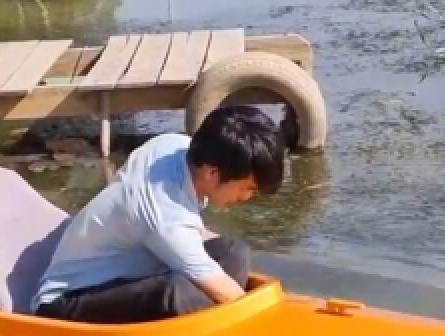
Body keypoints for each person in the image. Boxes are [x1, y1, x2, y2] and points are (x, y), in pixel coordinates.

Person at [30, 105, 286, 323]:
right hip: (66, 303)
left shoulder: (174, 145)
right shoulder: (165, 219)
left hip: (128, 269)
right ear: (212, 173)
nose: (245, 198)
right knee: (173, 293)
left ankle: (208, 324)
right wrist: (275, 326)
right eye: (247, 188)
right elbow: (230, 296)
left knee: (233, 252)